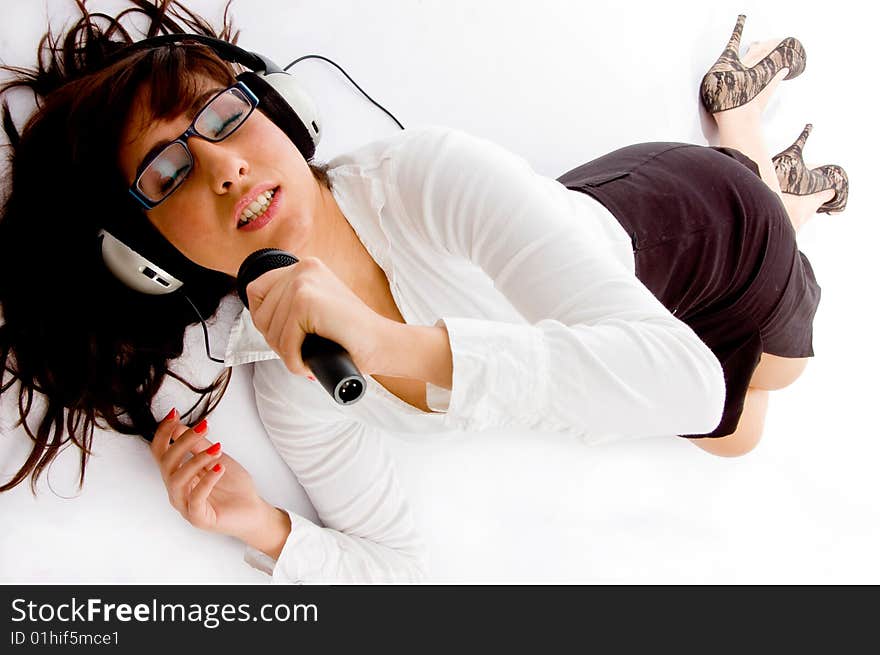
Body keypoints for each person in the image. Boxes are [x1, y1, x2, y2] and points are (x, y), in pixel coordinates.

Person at [0, 2, 848, 582]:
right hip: (599, 236)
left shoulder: (426, 176)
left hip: (706, 232)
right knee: (730, 434)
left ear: (278, 110)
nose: (222, 165)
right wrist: (261, 526)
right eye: (169, 169)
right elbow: (400, 572)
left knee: (744, 419)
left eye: (223, 115)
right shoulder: (291, 387)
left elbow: (686, 383)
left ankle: (754, 166)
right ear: (148, 253)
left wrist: (385, 343)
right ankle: (765, 162)